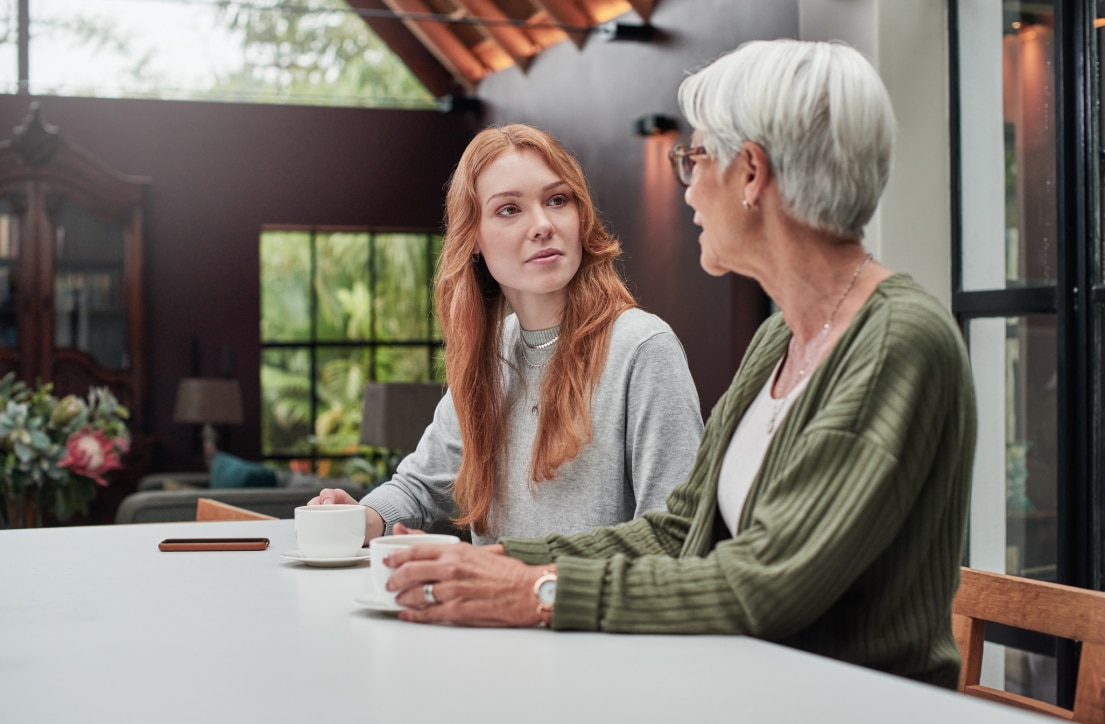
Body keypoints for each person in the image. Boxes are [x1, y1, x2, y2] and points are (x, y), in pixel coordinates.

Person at [381, 40, 978, 689]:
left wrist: (537, 590)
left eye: (694, 158)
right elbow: (677, 529)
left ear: (751, 173)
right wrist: (500, 564)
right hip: (756, 693)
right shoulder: (779, 338)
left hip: (846, 720)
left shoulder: (897, 343)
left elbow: (764, 582)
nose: (687, 185)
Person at [312, 124, 704, 545]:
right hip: (483, 612)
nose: (542, 225)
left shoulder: (642, 347)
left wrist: (529, 583)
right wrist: (362, 517)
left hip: (583, 609)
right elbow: (420, 485)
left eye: (557, 200)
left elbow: (674, 537)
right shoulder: (492, 352)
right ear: (473, 238)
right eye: (509, 209)